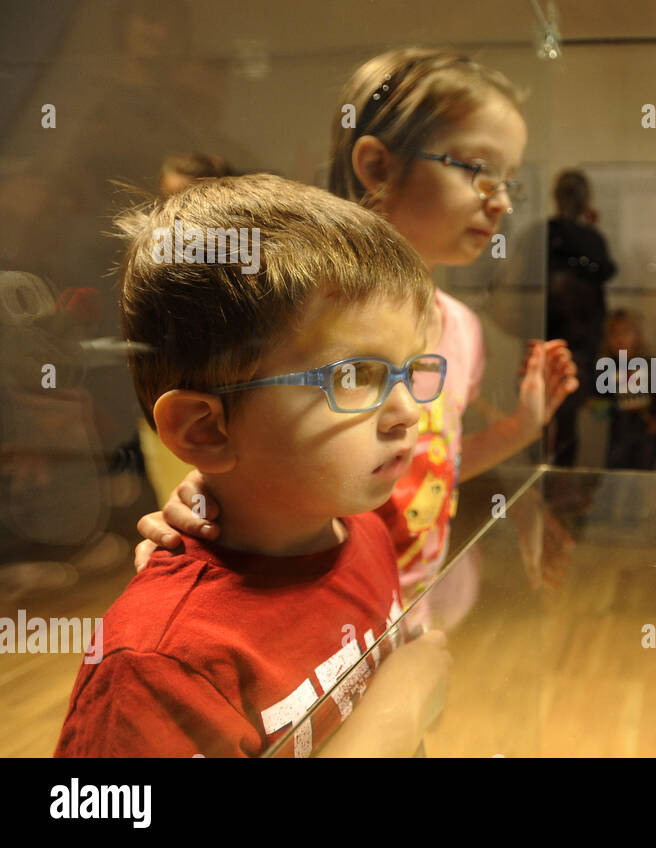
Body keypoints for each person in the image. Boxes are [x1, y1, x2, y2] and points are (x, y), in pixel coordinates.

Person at [134, 48, 579, 609]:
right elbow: (259, 453)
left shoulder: (461, 328)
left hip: (415, 605)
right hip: (321, 616)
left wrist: (521, 428)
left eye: (509, 179)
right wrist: (201, 500)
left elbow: (431, 463)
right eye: (477, 168)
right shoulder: (307, 317)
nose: (502, 201)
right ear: (377, 166)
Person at [56, 174, 450, 757]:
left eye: (409, 370)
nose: (408, 412)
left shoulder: (362, 526)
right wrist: (402, 704)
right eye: (353, 376)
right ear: (205, 429)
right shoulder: (154, 667)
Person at [545, 169, 618, 466]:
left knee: (559, 418)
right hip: (564, 333)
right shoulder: (561, 233)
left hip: (573, 335)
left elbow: (606, 271)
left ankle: (557, 492)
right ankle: (551, 492)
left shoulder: (557, 233)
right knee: (557, 419)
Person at [592, 310, 656, 471]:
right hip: (619, 429)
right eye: (614, 334)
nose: (620, 339)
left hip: (645, 428)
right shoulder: (607, 367)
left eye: (625, 332)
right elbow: (600, 400)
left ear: (637, 336)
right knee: (617, 469)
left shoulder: (648, 364)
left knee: (643, 470)